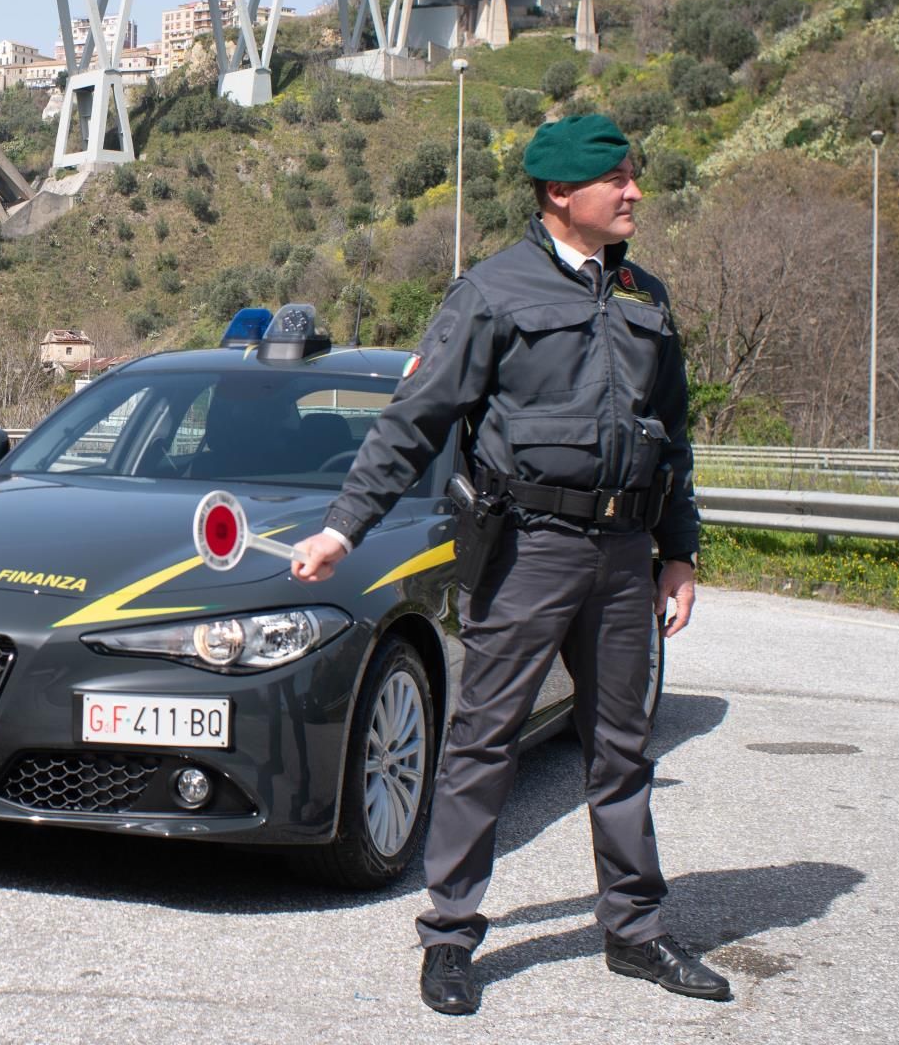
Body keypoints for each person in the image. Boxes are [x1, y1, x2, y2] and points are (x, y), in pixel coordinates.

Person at [291, 114, 730, 1015]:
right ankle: (450, 939)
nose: (635, 192)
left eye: (633, 176)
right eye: (617, 180)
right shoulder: (492, 293)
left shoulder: (648, 297)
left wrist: (678, 553)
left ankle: (636, 933)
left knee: (621, 751)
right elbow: (413, 420)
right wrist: (345, 527)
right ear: (561, 194)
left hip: (621, 555)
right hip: (528, 549)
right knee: (482, 746)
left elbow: (672, 440)